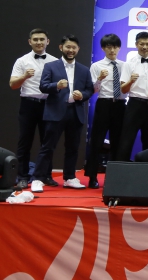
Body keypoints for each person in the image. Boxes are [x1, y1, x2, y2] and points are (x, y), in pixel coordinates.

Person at [30, 35, 94, 193]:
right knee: (47, 147)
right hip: (55, 112)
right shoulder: (51, 66)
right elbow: (43, 86)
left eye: (74, 47)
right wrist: (56, 86)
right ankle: (38, 178)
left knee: (73, 147)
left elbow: (89, 90)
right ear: (61, 48)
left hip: (76, 111)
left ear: (78, 49)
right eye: (68, 47)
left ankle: (69, 177)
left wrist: (83, 95)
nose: (71, 50)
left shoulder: (84, 70)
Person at [10, 28, 58, 190]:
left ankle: (46, 175)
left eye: (41, 39)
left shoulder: (55, 61)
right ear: (30, 42)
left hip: (48, 104)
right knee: (25, 142)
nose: (39, 42)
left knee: (48, 142)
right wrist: (24, 76)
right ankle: (22, 177)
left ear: (47, 41)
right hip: (28, 104)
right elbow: (12, 85)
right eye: (35, 39)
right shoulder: (22, 61)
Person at [85, 34, 126, 189]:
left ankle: (114, 177)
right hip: (104, 103)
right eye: (108, 47)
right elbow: (92, 90)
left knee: (118, 142)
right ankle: (92, 177)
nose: (112, 50)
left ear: (119, 48)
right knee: (96, 141)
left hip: (120, 105)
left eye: (115, 47)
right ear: (103, 48)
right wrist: (99, 79)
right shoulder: (96, 66)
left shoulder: (125, 66)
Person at [117, 32, 148, 160]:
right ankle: (122, 168)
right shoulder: (129, 64)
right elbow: (123, 90)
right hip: (134, 104)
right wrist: (131, 81)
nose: (144, 47)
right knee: (126, 139)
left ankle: (147, 169)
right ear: (136, 44)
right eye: (142, 44)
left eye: (147, 44)